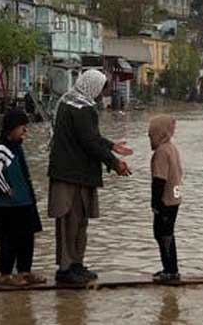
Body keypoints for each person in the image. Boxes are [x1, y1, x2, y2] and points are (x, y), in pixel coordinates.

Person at [47, 69, 133, 285]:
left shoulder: (69, 101)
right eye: (101, 89)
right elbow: (89, 142)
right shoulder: (83, 108)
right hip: (72, 175)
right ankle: (67, 269)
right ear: (93, 87)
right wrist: (114, 163)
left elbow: (89, 137)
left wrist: (111, 146)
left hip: (73, 173)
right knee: (71, 222)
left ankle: (76, 265)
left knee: (77, 222)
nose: (102, 94)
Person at [0, 108, 45, 287]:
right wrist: (6, 189)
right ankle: (5, 275)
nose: (24, 131)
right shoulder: (1, 147)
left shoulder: (15, 146)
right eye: (22, 127)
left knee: (27, 238)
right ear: (12, 128)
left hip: (24, 201)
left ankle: (24, 272)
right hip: (8, 205)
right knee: (9, 240)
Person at [149, 115, 183, 283]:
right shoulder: (171, 147)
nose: (150, 138)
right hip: (175, 198)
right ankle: (170, 268)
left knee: (162, 234)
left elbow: (159, 179)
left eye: (151, 134)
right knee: (166, 233)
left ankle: (171, 271)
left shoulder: (162, 152)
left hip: (165, 200)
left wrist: (155, 203)